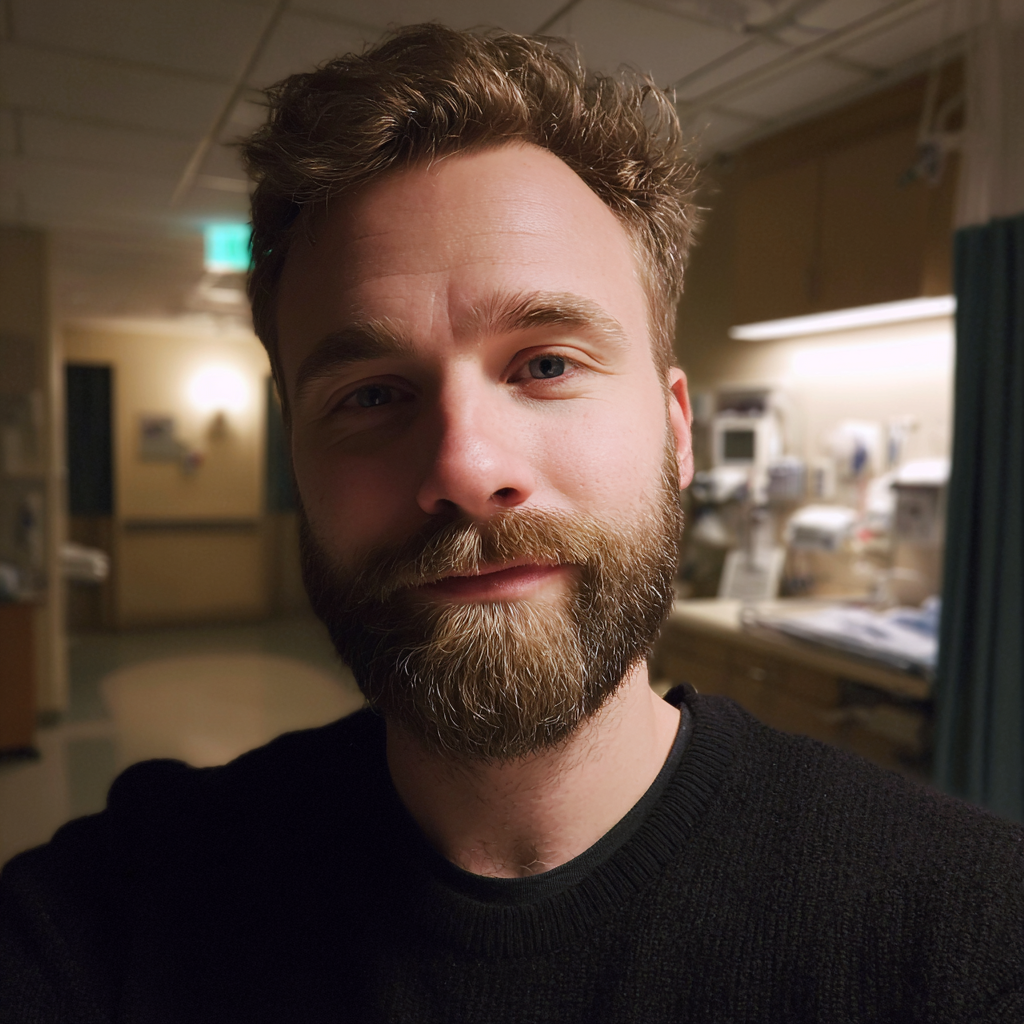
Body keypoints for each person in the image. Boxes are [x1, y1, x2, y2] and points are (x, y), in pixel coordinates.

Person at [1, 23, 1022, 1024]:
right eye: (369, 394)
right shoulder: (122, 906)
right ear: (296, 461)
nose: (462, 468)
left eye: (545, 364)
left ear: (677, 430)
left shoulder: (965, 929)